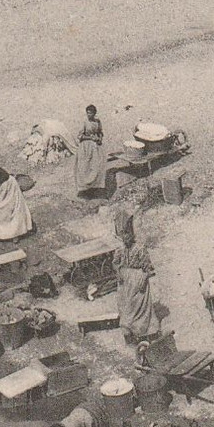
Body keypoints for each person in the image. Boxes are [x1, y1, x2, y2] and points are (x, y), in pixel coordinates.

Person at [113, 209, 158, 344]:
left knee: (140, 307)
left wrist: (143, 279)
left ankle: (144, 333)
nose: (125, 238)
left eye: (127, 235)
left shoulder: (140, 248)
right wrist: (118, 272)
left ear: (132, 235)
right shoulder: (120, 250)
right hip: (124, 281)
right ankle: (129, 332)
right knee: (125, 306)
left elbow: (148, 267)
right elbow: (115, 263)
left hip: (138, 279)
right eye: (122, 235)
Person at [74, 105, 110, 195]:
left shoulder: (97, 121)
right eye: (87, 113)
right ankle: (85, 189)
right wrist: (90, 138)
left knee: (97, 166)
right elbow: (79, 136)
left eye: (90, 113)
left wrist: (99, 138)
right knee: (85, 167)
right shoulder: (85, 122)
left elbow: (100, 132)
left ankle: (95, 187)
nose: (88, 115)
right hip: (86, 147)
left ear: (94, 113)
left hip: (96, 147)